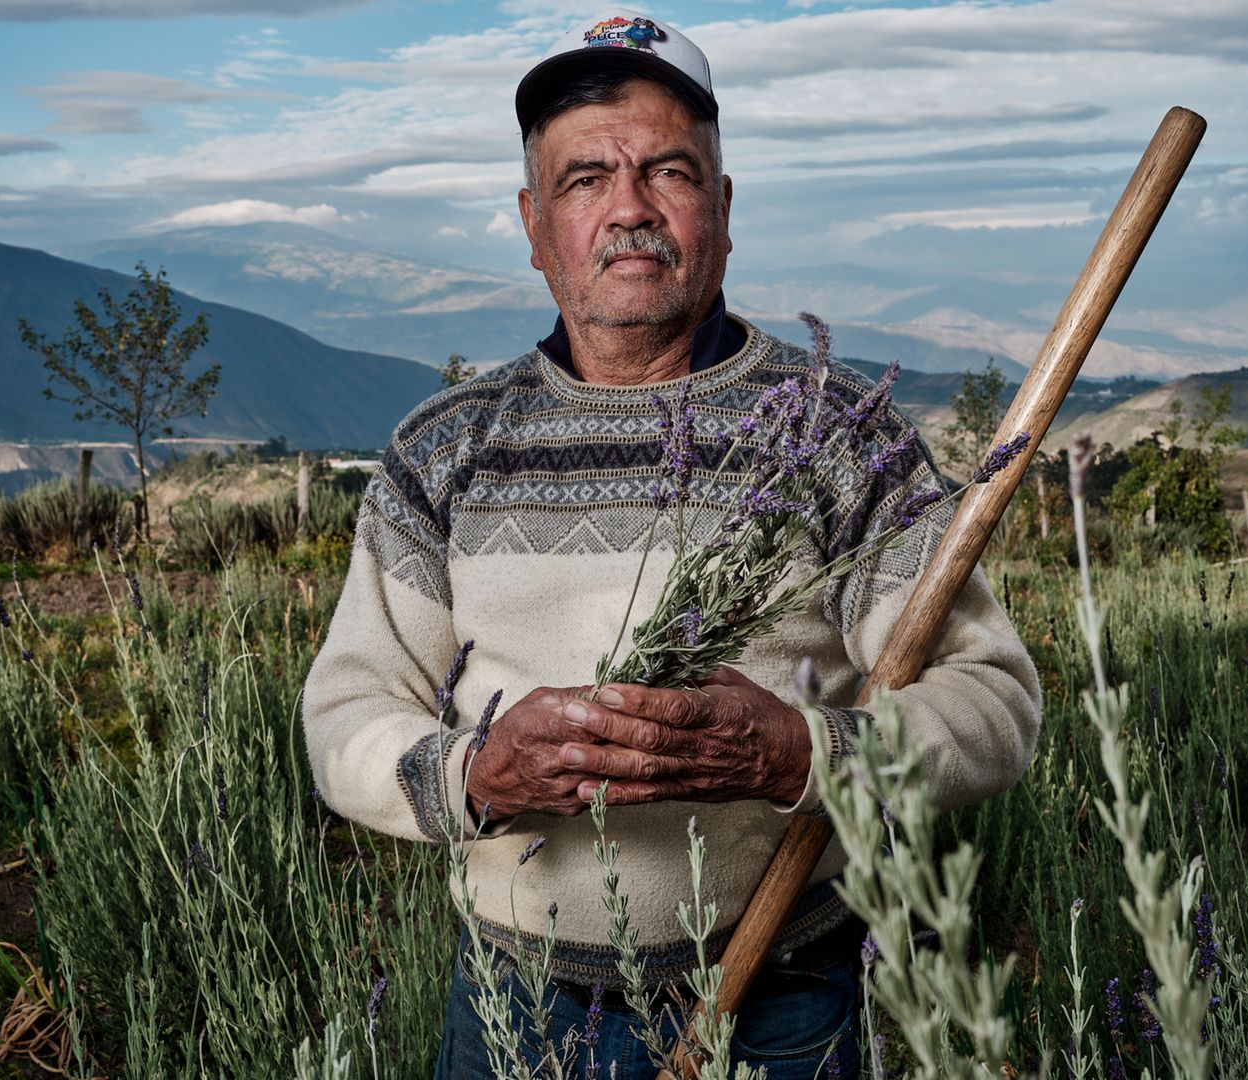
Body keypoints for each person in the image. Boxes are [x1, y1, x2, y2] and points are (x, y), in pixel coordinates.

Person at [302, 9, 1042, 1078]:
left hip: (784, 998)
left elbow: (997, 706)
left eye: (670, 173)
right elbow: (343, 715)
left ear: (724, 208)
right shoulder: (448, 448)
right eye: (586, 178)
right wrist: (478, 774)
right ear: (531, 221)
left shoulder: (838, 437)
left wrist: (801, 752)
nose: (630, 211)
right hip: (514, 1005)